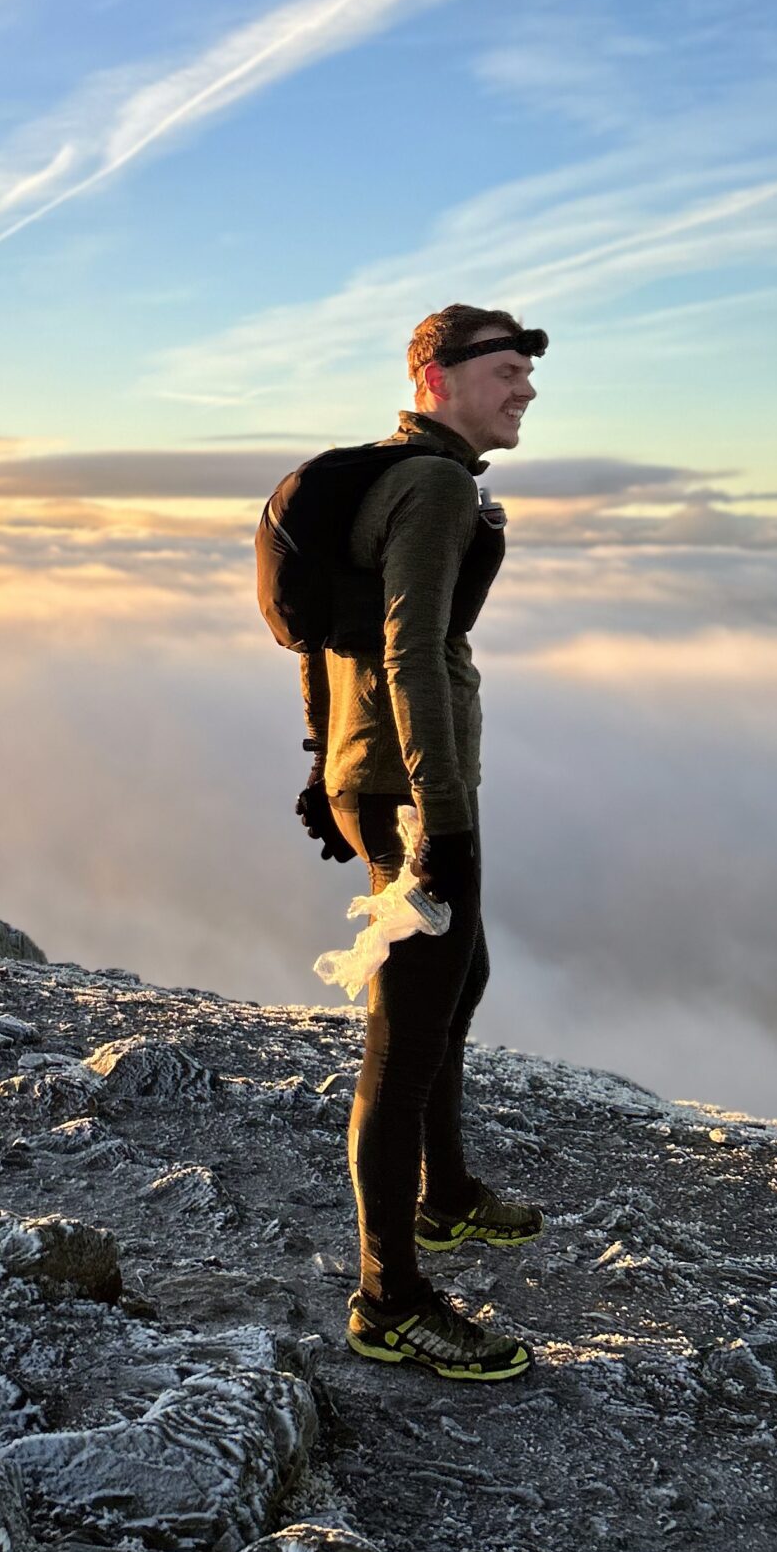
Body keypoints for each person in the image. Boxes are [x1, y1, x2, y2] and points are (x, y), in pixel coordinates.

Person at [296, 303, 546, 1383]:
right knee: (406, 1032)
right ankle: (387, 1298)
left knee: (460, 974)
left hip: (379, 777)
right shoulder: (437, 485)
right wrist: (441, 825)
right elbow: (406, 652)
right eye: (503, 370)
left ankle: (443, 1196)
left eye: (528, 374)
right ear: (434, 377)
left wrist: (322, 760)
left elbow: (323, 635)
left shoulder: (395, 477)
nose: (525, 389)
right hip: (412, 792)